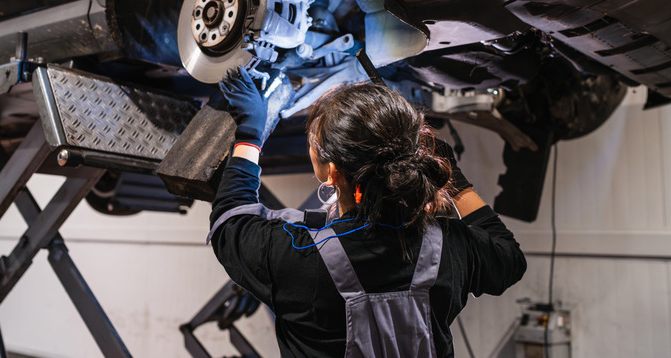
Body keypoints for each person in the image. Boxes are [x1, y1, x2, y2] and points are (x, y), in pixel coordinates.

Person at [210, 66, 527, 357]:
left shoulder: (296, 256)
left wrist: (251, 134)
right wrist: (455, 183)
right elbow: (510, 259)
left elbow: (230, 221)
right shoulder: (450, 247)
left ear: (331, 172)